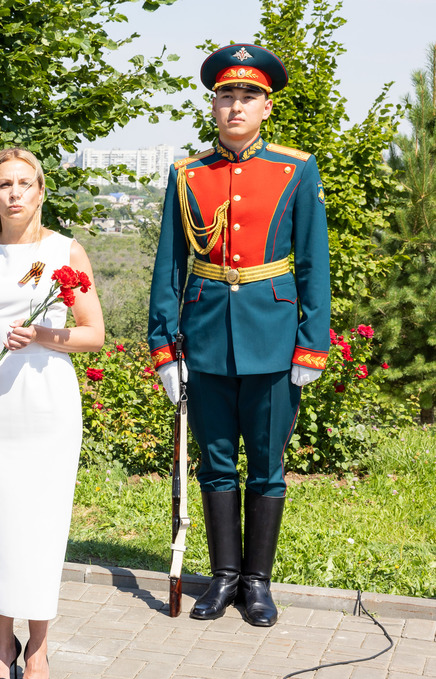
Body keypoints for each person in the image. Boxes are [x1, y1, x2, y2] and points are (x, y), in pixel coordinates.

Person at [148, 44, 330, 626]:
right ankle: (224, 577)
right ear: (214, 103)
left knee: (266, 467)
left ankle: (258, 583)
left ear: (266, 107)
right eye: (226, 95)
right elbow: (168, 268)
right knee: (216, 463)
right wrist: (164, 347)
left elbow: (312, 265)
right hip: (203, 341)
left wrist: (312, 342)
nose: (235, 106)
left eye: (247, 96)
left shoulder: (294, 170)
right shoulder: (187, 174)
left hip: (273, 339)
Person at [0, 148, 104, 679]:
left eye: (25, 183)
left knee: (39, 527)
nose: (14, 192)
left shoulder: (63, 252)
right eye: (3, 184)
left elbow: (92, 333)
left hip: (45, 405)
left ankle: (36, 647)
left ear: (40, 191)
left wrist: (38, 334)